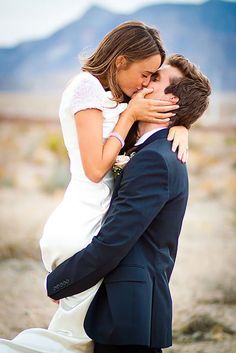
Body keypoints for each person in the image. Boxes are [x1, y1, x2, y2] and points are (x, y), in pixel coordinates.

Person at [0, 22, 188, 353]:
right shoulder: (86, 87)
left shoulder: (110, 99)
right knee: (70, 342)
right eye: (145, 74)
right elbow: (95, 167)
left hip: (94, 224)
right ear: (120, 61)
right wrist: (129, 116)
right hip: (82, 224)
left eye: (153, 77)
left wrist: (181, 125)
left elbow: (143, 137)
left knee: (83, 340)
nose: (145, 84)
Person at [46, 54, 211, 353]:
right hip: (131, 309)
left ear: (170, 104)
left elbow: (114, 242)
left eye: (155, 78)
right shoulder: (149, 147)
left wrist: (60, 282)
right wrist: (183, 125)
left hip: (127, 311)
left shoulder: (155, 160)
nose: (145, 82)